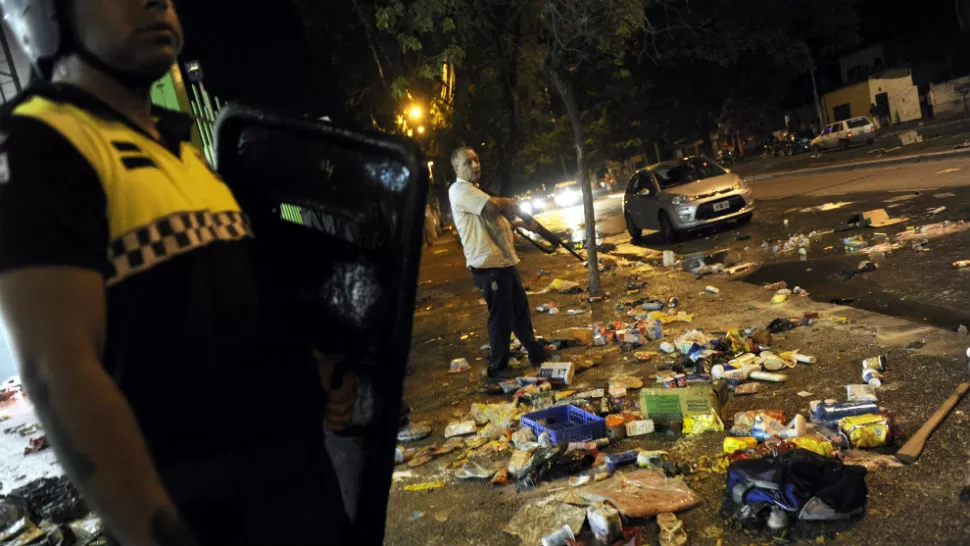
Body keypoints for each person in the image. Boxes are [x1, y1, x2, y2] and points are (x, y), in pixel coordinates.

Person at [0, 1, 355, 544]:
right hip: (207, 517)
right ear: (47, 14)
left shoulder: (186, 156)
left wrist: (314, 365)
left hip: (301, 500)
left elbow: (227, 308)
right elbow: (58, 373)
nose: (156, 1)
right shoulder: (41, 142)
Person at [448, 147, 547, 379]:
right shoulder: (460, 190)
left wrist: (521, 225)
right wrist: (512, 201)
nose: (474, 165)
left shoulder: (476, 191)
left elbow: (494, 220)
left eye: (476, 160)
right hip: (488, 265)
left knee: (520, 310)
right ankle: (498, 368)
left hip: (503, 262)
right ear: (456, 168)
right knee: (501, 317)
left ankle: (535, 352)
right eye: (467, 162)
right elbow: (492, 207)